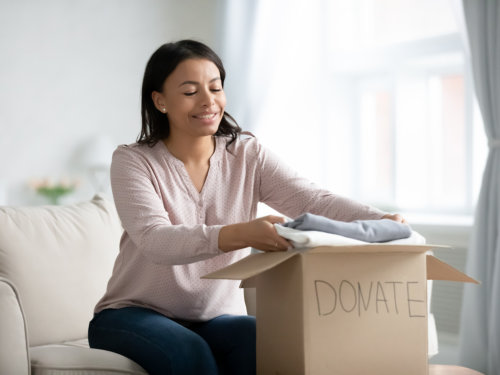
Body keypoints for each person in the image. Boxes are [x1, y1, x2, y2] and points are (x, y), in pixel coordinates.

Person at [88, 39, 405, 375]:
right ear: (160, 100)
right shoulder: (133, 161)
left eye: (215, 87)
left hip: (213, 319)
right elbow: (155, 240)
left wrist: (379, 218)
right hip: (132, 314)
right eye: (190, 91)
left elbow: (312, 200)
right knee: (188, 350)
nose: (209, 101)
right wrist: (241, 234)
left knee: (266, 339)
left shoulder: (247, 154)